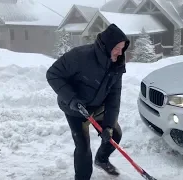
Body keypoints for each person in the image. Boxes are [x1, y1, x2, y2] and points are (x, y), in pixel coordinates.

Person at [46, 24, 130, 180]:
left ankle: (102, 159)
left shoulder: (116, 65)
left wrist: (108, 126)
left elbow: (114, 97)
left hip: (97, 106)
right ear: (107, 45)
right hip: (75, 107)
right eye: (117, 48)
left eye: (123, 48)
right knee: (83, 148)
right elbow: (53, 74)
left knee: (114, 135)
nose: (120, 53)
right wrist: (72, 99)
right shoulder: (80, 56)